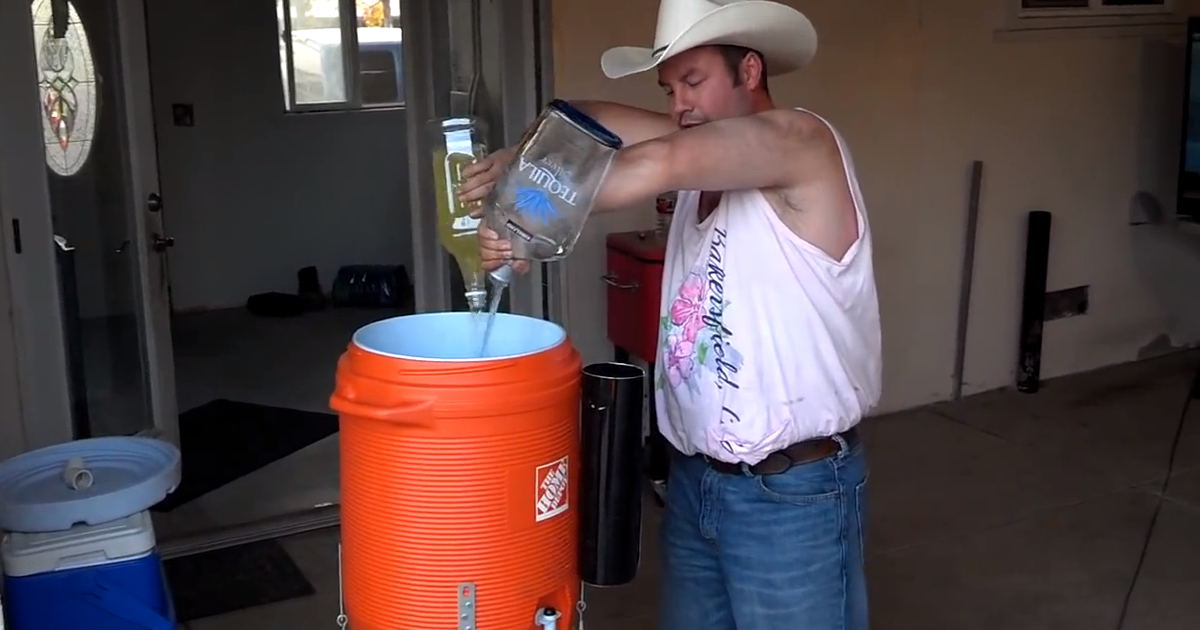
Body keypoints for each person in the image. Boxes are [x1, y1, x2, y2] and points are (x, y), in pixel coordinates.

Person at [459, 0, 881, 628]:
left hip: (792, 492)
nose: (680, 104)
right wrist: (524, 156)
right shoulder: (696, 146)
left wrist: (519, 204)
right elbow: (587, 116)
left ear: (749, 71)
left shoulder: (800, 141)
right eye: (668, 88)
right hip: (695, 483)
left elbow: (650, 162)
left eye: (693, 81)